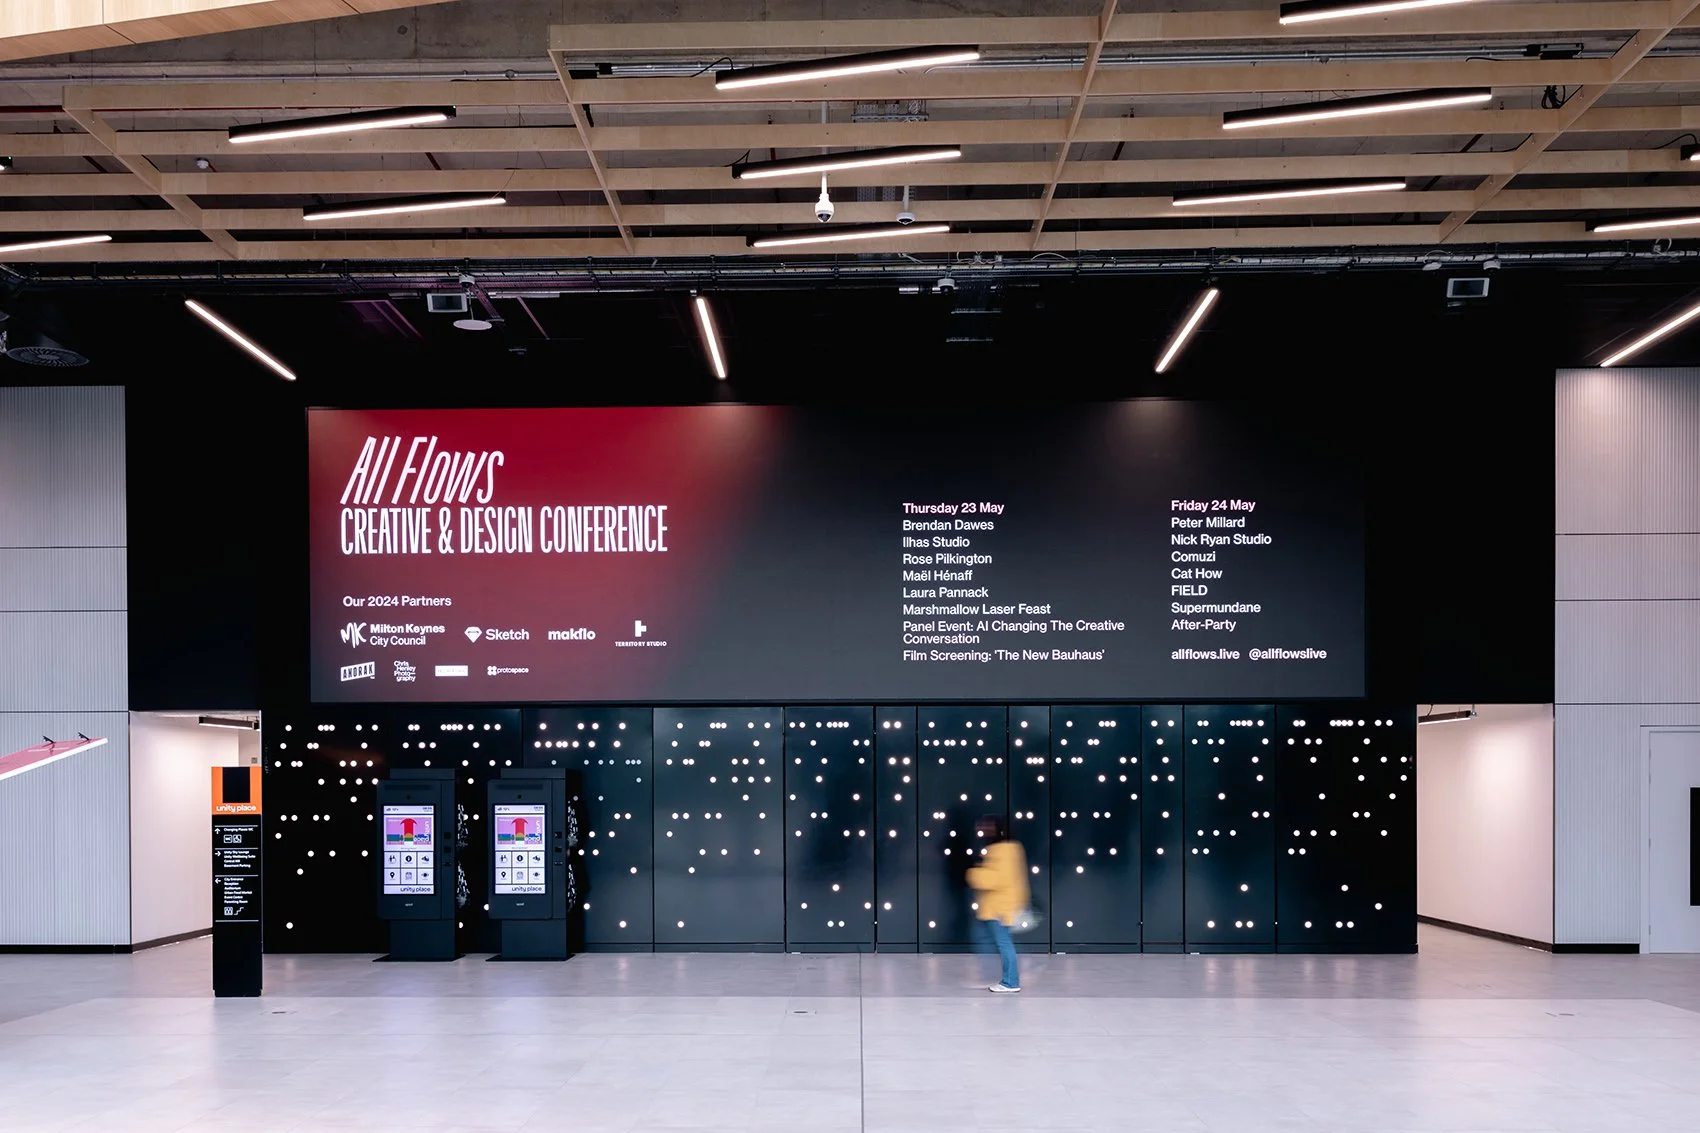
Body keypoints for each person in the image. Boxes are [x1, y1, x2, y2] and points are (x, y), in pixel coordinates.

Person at [965, 814, 1028, 993]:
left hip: (999, 907)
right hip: (999, 906)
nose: (983, 830)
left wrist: (974, 873)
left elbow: (997, 879)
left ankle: (1011, 982)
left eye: (987, 827)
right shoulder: (1010, 849)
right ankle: (1008, 977)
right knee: (996, 941)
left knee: (1003, 943)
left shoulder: (1002, 851)